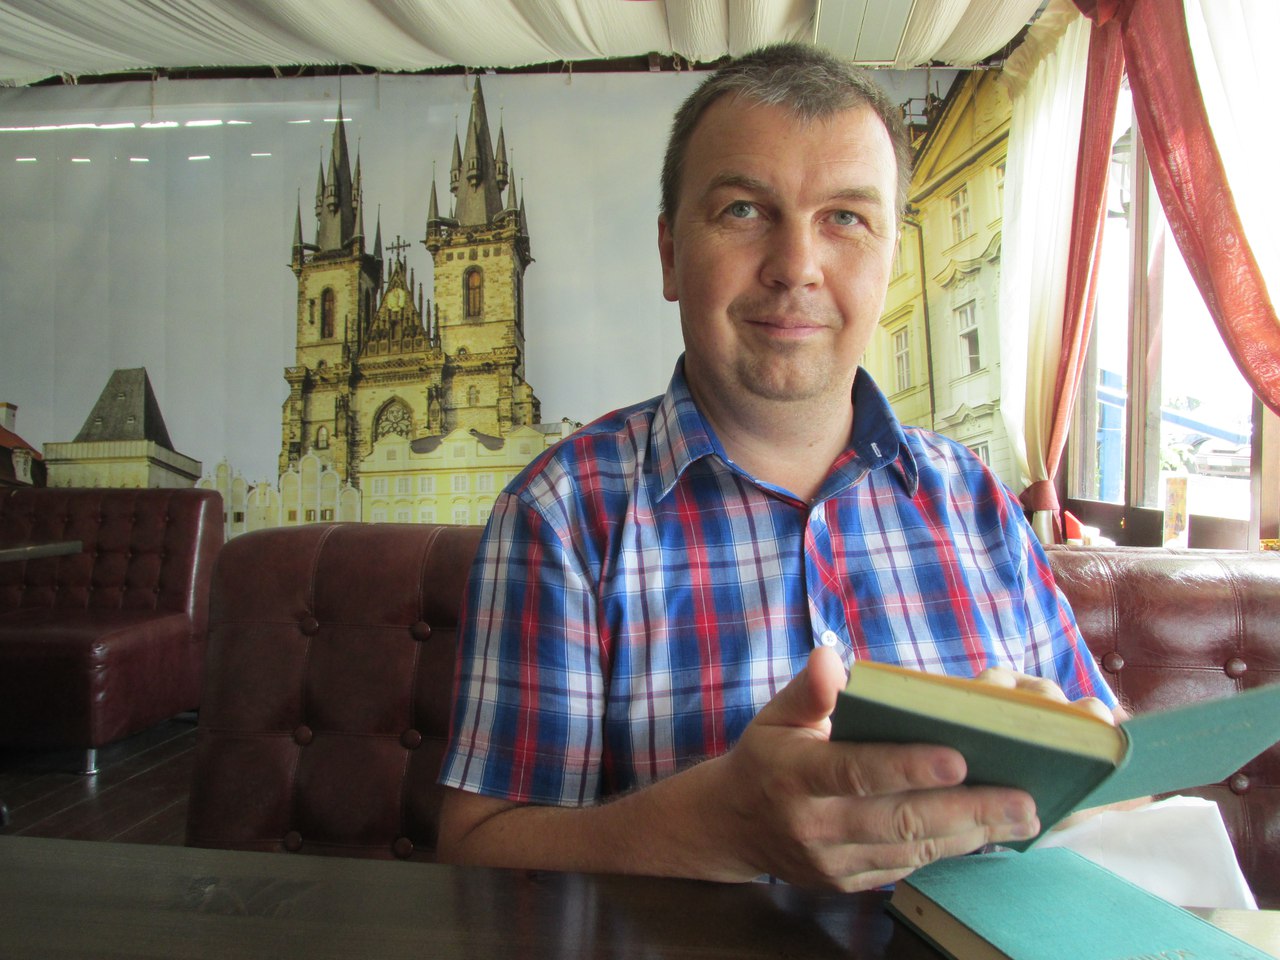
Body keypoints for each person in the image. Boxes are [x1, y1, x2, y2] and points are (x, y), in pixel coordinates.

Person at [437, 42, 1119, 891]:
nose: (796, 266)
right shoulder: (560, 514)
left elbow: (1108, 782)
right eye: (742, 210)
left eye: (846, 218)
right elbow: (477, 854)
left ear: (890, 257)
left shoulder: (976, 498)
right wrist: (717, 832)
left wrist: (1066, 775)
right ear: (669, 254)